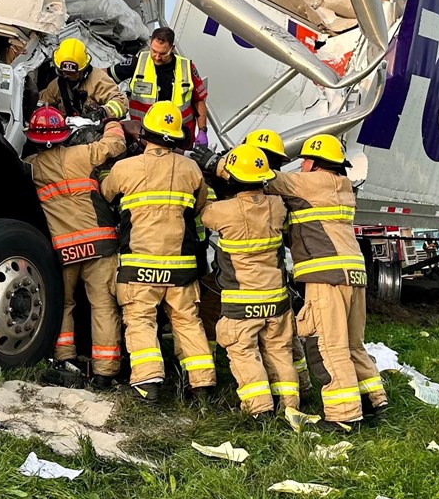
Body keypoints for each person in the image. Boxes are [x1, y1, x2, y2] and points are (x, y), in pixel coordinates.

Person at [265, 133, 385, 431]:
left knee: (328, 347)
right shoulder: (342, 186)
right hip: (354, 275)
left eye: (304, 160)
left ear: (315, 163)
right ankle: (374, 399)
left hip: (326, 278)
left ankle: (345, 415)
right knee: (352, 343)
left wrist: (220, 162)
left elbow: (267, 177)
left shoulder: (311, 183)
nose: (301, 165)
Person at [99, 100, 213, 403]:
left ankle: (148, 384)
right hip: (181, 267)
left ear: (144, 134)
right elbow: (201, 206)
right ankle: (201, 385)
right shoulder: (192, 169)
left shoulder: (124, 168)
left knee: (140, 321)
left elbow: (105, 193)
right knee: (187, 321)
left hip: (139, 266)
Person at [27, 106, 130, 387]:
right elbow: (116, 144)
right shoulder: (81, 155)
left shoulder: (31, 166)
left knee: (63, 304)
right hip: (99, 244)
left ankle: (64, 358)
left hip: (64, 250)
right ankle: (105, 369)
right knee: (103, 305)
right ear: (64, 134)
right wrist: (111, 122)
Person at [201, 145, 300, 420]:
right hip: (276, 298)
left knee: (244, 352)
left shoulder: (222, 211)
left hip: (242, 301)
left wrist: (216, 168)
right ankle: (290, 405)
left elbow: (205, 214)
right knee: (279, 351)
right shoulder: (278, 207)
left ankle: (260, 410)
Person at [122, 27, 209, 147]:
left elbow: (199, 100)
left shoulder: (187, 68)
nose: (157, 57)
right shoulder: (139, 62)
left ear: (172, 49)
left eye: (163, 53)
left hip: (179, 137)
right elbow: (107, 74)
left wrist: (202, 130)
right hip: (145, 136)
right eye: (153, 51)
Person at [40, 38, 125, 120]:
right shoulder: (57, 85)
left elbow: (121, 102)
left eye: (72, 73)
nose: (66, 76)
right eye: (63, 72)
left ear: (83, 70)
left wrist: (103, 112)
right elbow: (42, 102)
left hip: (96, 131)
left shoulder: (98, 80)